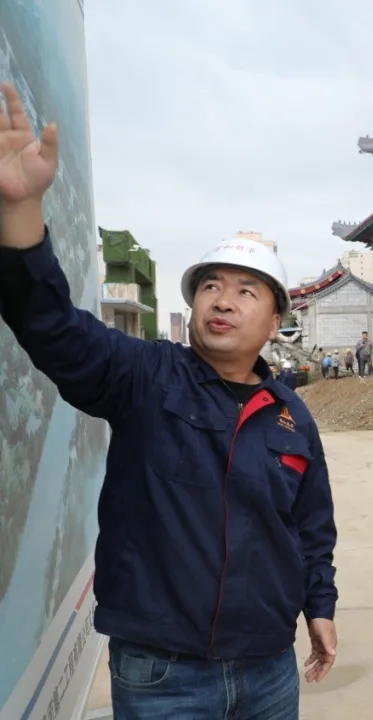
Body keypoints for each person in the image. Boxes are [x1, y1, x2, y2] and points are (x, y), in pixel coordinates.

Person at [0, 83, 337, 719]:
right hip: (164, 676)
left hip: (270, 667)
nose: (223, 299)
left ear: (275, 323)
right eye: (211, 286)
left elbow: (311, 526)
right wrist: (21, 215)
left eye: (246, 291)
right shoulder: (145, 377)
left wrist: (320, 606)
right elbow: (51, 326)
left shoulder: (292, 417)